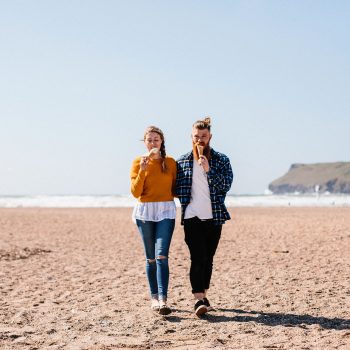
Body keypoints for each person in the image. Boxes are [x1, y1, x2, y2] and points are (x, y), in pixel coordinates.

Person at [176, 117, 233, 317]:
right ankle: (198, 299)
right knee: (197, 257)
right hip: (192, 216)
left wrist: (209, 170)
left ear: (210, 137)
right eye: (196, 136)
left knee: (208, 259)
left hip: (214, 217)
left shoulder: (221, 159)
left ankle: (204, 295)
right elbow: (174, 188)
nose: (200, 139)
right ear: (191, 137)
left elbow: (225, 185)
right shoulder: (182, 161)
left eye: (204, 136)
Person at [130, 126, 177, 315]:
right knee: (150, 258)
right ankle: (154, 298)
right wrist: (142, 170)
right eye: (149, 140)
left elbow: (177, 188)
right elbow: (135, 192)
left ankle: (163, 300)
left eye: (156, 140)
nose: (153, 143)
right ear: (145, 142)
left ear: (161, 142)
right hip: (145, 212)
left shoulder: (171, 162)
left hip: (166, 210)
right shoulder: (137, 162)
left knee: (162, 256)